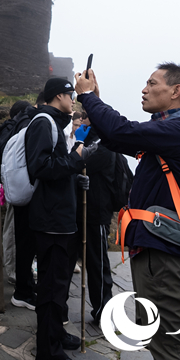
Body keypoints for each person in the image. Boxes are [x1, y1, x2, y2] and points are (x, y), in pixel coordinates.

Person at [74, 63, 180, 360]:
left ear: (176, 91)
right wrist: (94, 101)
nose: (144, 89)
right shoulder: (176, 127)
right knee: (157, 335)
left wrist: (88, 98)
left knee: (168, 344)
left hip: (165, 253)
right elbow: (118, 137)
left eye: (151, 83)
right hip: (157, 248)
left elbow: (123, 130)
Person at [26, 77, 90, 360]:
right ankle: (47, 351)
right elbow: (39, 167)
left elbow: (58, 168)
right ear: (57, 96)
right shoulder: (43, 123)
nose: (72, 99)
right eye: (69, 94)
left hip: (61, 217)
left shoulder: (58, 123)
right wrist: (75, 161)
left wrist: (76, 174)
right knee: (51, 285)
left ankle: (57, 334)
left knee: (60, 282)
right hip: (50, 220)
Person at [69, 117, 121, 324]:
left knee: (97, 263)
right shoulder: (91, 141)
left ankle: (102, 311)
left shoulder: (103, 145)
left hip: (96, 213)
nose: (82, 119)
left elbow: (76, 163)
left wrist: (77, 144)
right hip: (80, 211)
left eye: (87, 117)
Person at [0, 100, 35, 289]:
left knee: (14, 229)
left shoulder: (10, 127)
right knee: (13, 230)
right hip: (20, 186)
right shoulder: (22, 125)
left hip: (12, 185)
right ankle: (14, 272)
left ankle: (16, 271)